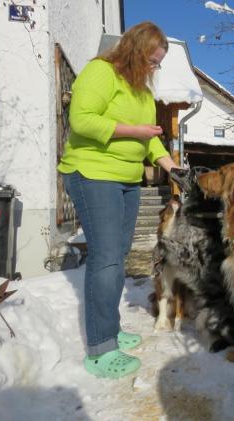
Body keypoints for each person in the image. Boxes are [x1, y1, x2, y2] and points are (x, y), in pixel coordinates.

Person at [58, 21, 179, 379]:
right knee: (107, 259)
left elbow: (151, 138)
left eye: (159, 63)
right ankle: (100, 347)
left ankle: (109, 330)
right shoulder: (101, 72)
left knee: (118, 256)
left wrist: (172, 167)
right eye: (153, 60)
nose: (155, 67)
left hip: (127, 180)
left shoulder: (140, 91)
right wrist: (133, 131)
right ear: (135, 51)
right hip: (93, 174)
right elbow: (81, 121)